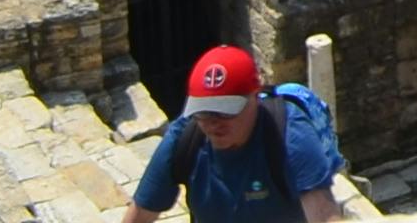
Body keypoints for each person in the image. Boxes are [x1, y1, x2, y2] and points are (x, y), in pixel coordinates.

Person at [118, 47, 340, 223]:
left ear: (255, 96)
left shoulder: (289, 134)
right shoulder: (185, 138)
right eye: (203, 112)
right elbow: (140, 213)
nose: (213, 123)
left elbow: (323, 214)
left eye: (225, 111)